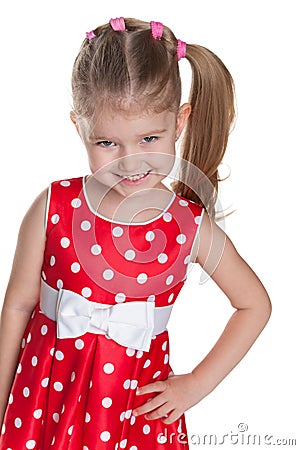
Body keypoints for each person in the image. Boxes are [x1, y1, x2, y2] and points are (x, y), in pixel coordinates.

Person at [0, 17, 271, 450]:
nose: (129, 162)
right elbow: (17, 306)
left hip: (133, 414)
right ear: (80, 128)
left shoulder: (189, 227)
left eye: (149, 138)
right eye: (107, 143)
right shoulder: (54, 207)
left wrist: (195, 386)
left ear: (179, 123)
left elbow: (254, 304)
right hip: (44, 402)